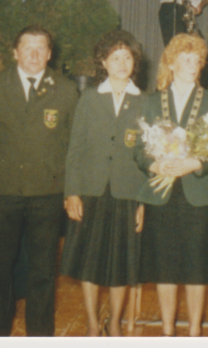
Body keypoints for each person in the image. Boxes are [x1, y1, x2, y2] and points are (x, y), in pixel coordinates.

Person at [0, 25, 79, 336]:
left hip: (46, 193)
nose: (34, 54)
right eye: (27, 47)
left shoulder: (66, 89)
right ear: (15, 51)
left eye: (41, 48)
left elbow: (74, 145)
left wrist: (71, 190)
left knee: (43, 272)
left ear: (50, 53)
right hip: (2, 190)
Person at [134, 33, 208, 336]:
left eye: (196, 60)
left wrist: (195, 164)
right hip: (162, 194)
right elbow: (137, 150)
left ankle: (195, 332)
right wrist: (154, 164)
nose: (192, 64)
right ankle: (168, 331)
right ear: (171, 63)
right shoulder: (150, 101)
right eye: (185, 58)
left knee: (197, 271)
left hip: (198, 193)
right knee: (164, 269)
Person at [61, 30, 147, 337]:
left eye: (127, 57)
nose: (122, 63)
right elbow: (75, 149)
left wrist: (143, 202)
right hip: (92, 191)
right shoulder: (88, 98)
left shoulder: (144, 102)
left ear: (135, 62)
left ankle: (114, 321)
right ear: (103, 62)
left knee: (121, 265)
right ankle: (93, 322)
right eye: (115, 57)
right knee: (90, 261)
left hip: (127, 193)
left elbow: (148, 157)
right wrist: (72, 192)